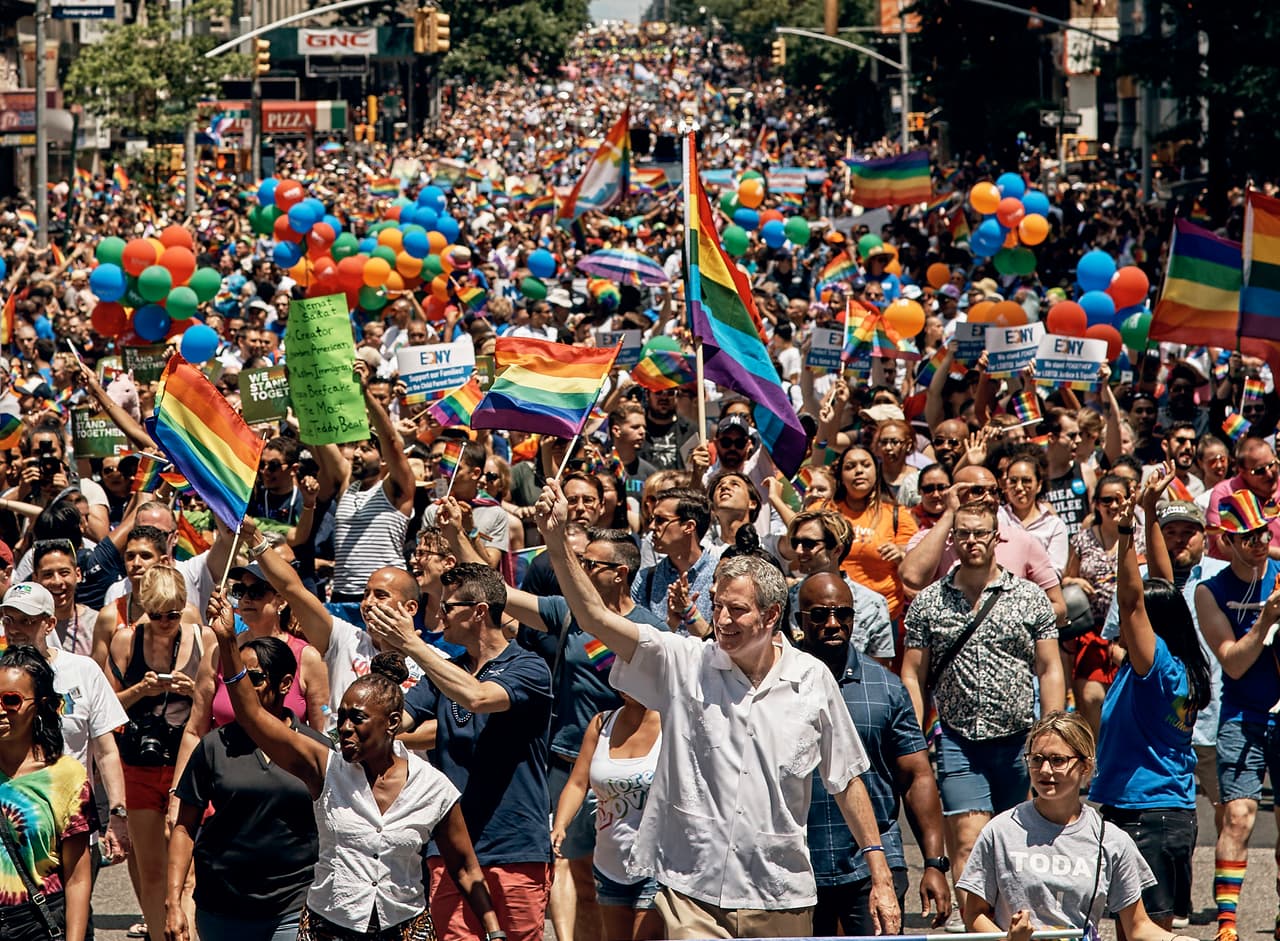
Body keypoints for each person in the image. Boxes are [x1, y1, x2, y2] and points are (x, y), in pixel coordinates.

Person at [533, 479, 900, 939]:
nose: (722, 620)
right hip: (692, 894)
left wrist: (880, 873)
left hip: (780, 893)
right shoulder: (682, 662)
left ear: (771, 615)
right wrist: (556, 543)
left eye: (737, 610)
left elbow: (846, 779)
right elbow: (595, 619)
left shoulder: (812, 679)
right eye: (717, 606)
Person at [205, 590, 505, 941]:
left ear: (392, 723)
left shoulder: (432, 787)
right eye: (343, 716)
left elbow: (465, 869)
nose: (345, 728)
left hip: (405, 928)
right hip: (328, 928)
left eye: (358, 719)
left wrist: (494, 931)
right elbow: (252, 716)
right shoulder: (325, 767)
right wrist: (227, 642)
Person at [369, 561, 553, 941]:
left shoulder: (529, 667)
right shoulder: (445, 672)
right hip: (450, 850)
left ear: (479, 611)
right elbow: (397, 724)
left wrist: (412, 644)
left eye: (448, 606)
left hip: (513, 847)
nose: (439, 615)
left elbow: (478, 697)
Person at [901, 500, 1064, 925]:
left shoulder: (1029, 597)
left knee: (1020, 840)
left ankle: (1016, 918)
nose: (972, 541)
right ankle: (972, 923)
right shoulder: (929, 603)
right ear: (952, 540)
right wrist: (913, 735)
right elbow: (913, 674)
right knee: (967, 841)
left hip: (1018, 739)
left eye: (980, 533)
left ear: (996, 537)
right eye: (964, 534)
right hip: (958, 740)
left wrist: (1051, 730)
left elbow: (1049, 667)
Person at [797, 572, 951, 935]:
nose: (832, 623)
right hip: (798, 864)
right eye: (819, 615)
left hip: (875, 863)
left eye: (843, 614)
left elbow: (916, 776)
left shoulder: (887, 688)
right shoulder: (775, 684)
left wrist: (934, 863)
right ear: (799, 619)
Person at [1092, 469, 1212, 932]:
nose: (1126, 626)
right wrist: (1147, 512)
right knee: (1143, 930)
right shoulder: (1182, 662)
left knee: (1147, 933)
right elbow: (1163, 586)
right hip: (1167, 813)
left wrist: (1126, 534)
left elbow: (1133, 601)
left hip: (1145, 817)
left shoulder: (1156, 667)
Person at [957, 711, 1193, 941]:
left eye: (1058, 760)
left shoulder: (1110, 840)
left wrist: (1177, 940)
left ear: (1085, 767)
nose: (1045, 770)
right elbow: (974, 914)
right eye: (1037, 759)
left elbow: (1137, 927)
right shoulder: (1000, 831)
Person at [165, 636, 333, 941]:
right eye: (232, 677)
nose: (237, 686)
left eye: (252, 678)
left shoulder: (315, 750)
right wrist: (174, 902)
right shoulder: (215, 746)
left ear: (285, 684)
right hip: (223, 910)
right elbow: (184, 827)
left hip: (295, 906)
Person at [107, 565, 216, 941]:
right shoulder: (126, 640)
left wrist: (193, 691)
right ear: (144, 608)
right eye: (157, 615)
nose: (166, 623)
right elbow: (106, 707)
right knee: (151, 870)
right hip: (139, 764)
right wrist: (140, 690)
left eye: (173, 614)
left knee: (188, 873)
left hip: (188, 765)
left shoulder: (203, 638)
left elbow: (221, 705)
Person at [1194, 489, 1280, 941]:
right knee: (1239, 816)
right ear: (1227, 541)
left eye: (1263, 533)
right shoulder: (1210, 592)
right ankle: (1227, 924)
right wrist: (1265, 621)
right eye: (1248, 537)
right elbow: (1232, 662)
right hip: (1241, 715)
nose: (1259, 543)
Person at [0, 581, 130, 865]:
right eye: (9, 620)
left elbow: (106, 751)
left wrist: (118, 814)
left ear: (49, 624)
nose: (15, 629)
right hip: (10, 830)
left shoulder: (83, 670)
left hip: (72, 828)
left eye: (26, 621)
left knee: (78, 895)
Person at [0, 645, 96, 941]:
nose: (0, 710)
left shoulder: (65, 777)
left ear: (40, 705)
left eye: (11, 700)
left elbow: (78, 878)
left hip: (37, 926)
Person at [551, 692, 663, 941]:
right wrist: (560, 825)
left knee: (647, 936)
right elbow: (578, 783)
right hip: (609, 864)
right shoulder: (601, 724)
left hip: (656, 864)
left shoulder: (672, 722)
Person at [313, 359, 416, 602]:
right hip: (341, 596)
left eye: (367, 449)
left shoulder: (396, 489)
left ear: (384, 460)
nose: (357, 453)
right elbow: (320, 435)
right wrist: (301, 386)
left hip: (384, 597)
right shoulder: (348, 482)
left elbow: (391, 441)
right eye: (357, 447)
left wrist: (365, 392)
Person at [1062, 474, 1142, 737]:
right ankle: (1094, 755)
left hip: (1130, 631)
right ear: (1096, 504)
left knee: (1129, 701)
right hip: (1092, 633)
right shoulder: (1082, 539)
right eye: (1106, 500)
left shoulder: (1139, 536)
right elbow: (1066, 578)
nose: (1114, 505)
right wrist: (1075, 581)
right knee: (1090, 697)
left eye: (1120, 499)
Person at [783, 509, 895, 664]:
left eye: (809, 544)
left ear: (837, 550)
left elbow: (880, 666)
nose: (798, 550)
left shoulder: (872, 604)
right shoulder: (787, 599)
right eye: (795, 543)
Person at [834, 445, 916, 624]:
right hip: (835, 613)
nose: (859, 471)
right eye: (850, 466)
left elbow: (915, 558)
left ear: (877, 472)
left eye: (865, 465)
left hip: (882, 617)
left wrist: (900, 554)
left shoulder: (896, 514)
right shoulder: (826, 511)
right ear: (840, 476)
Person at [631, 487, 721, 631]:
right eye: (652, 519)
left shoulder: (721, 578)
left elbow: (725, 638)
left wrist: (688, 611)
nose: (652, 526)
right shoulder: (644, 579)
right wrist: (671, 624)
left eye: (661, 520)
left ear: (689, 527)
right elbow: (639, 638)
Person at [1205, 438, 1280, 560]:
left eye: (1272, 465)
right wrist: (1265, 549)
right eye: (1259, 471)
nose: (1269, 474)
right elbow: (1225, 547)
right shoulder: (1225, 495)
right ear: (1242, 472)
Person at [999, 446, 1069, 575]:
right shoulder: (997, 518)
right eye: (1013, 481)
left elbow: (1055, 571)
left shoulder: (1054, 526)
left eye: (1026, 481)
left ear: (1039, 485)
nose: (1019, 487)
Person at [1041, 408, 1097, 537]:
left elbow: (1096, 517)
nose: (1078, 440)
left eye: (1079, 434)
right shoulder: (1038, 476)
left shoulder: (1085, 472)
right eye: (1072, 436)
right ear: (1052, 438)